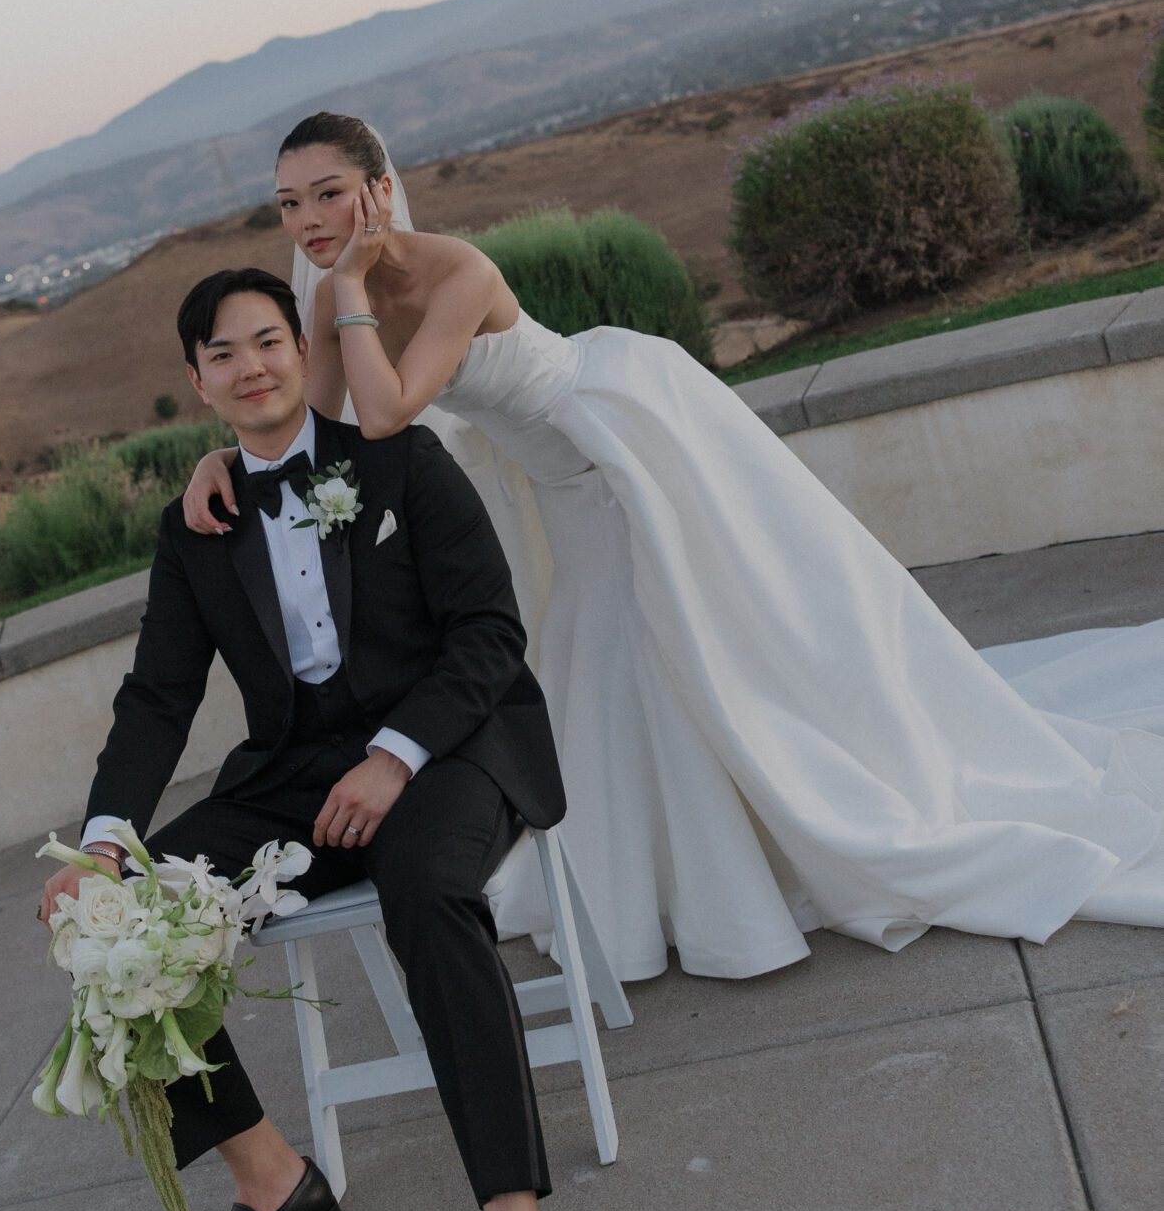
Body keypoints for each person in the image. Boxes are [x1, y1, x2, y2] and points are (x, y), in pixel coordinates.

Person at [182, 112, 1164, 984]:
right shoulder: (327, 297)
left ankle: (742, 856)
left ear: (379, 187)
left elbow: (388, 412)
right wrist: (218, 466)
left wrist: (351, 282)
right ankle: (690, 861)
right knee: (617, 651)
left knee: (683, 636)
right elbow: (312, 432)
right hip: (565, 480)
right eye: (287, 204)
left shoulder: (455, 270)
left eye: (327, 194)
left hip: (622, 442)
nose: (309, 220)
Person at [40, 264, 602, 1211]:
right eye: (222, 353)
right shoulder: (197, 523)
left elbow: (491, 634)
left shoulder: (396, 459)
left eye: (266, 339)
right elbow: (157, 696)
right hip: (294, 769)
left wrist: (397, 759)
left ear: (300, 347)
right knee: (128, 919)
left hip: (451, 738)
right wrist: (99, 846)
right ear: (197, 381)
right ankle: (274, 1182)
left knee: (425, 893)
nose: (250, 365)